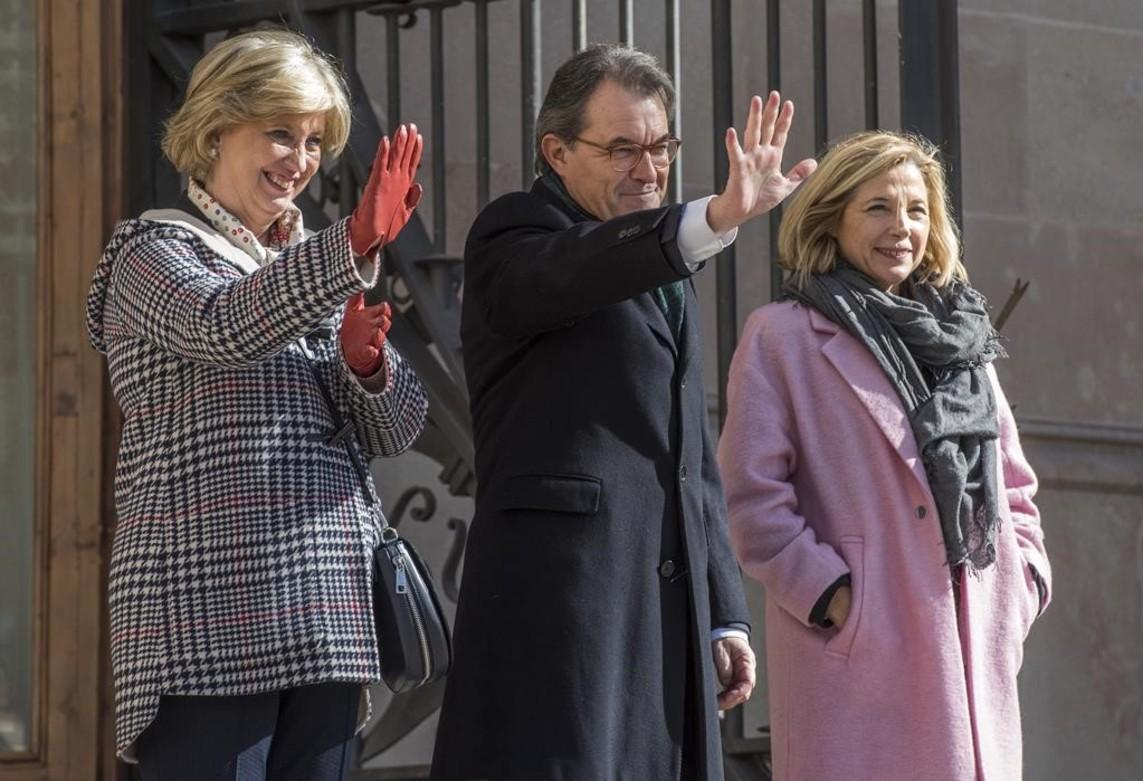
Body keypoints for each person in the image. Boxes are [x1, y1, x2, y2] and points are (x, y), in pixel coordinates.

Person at [430, 43, 816, 780]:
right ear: (557, 151)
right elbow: (580, 266)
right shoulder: (515, 235)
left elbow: (687, 449)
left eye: (661, 145)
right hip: (562, 610)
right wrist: (713, 219)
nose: (649, 169)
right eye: (622, 149)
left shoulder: (660, 264)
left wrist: (723, 605)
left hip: (660, 609)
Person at [85, 29, 429, 779]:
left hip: (328, 618)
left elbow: (399, 427)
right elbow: (222, 325)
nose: (300, 159)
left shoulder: (299, 263)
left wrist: (364, 364)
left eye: (312, 140)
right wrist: (353, 245)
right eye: (279, 131)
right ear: (214, 127)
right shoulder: (150, 250)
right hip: (206, 621)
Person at [716, 130, 1052, 780]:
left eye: (918, 209)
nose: (902, 226)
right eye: (878, 207)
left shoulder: (962, 343)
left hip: (973, 657)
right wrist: (836, 597)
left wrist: (1024, 584)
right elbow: (752, 499)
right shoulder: (782, 338)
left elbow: (1014, 489)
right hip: (858, 676)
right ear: (831, 218)